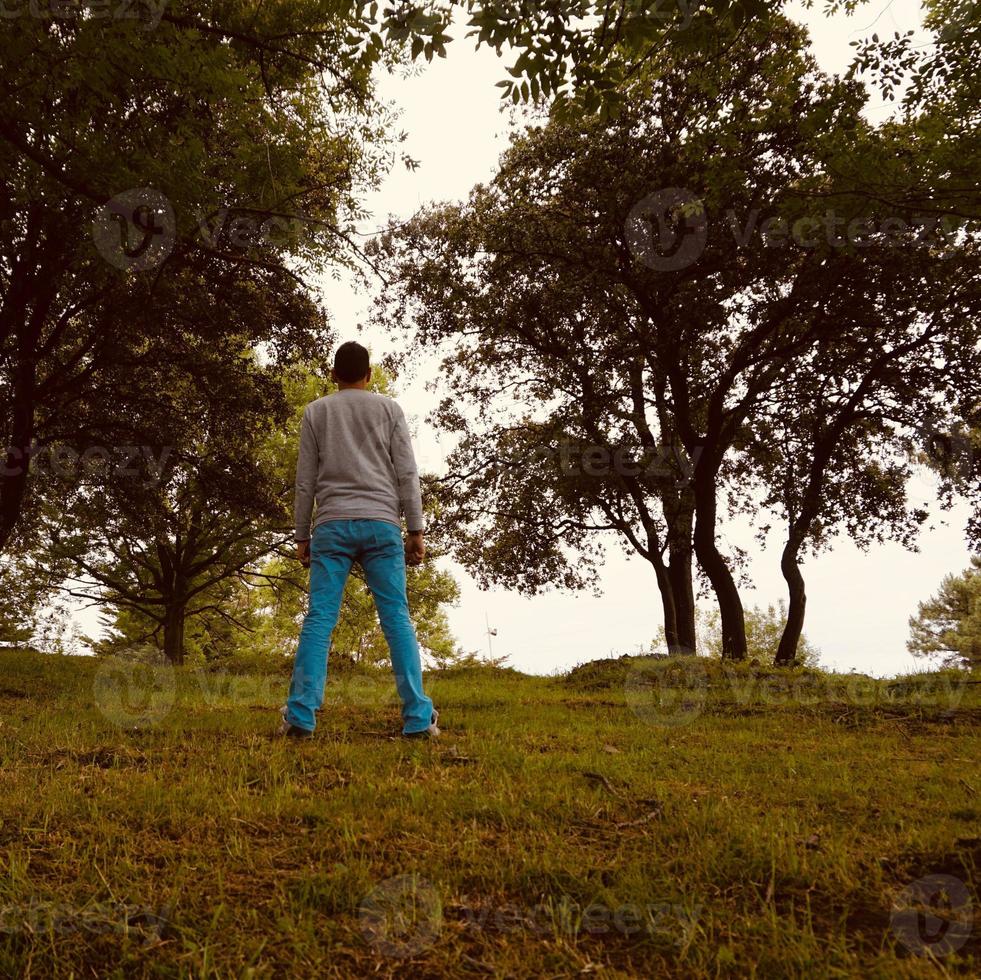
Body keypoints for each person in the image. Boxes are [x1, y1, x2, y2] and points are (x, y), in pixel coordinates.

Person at [279, 341, 439, 739]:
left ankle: (301, 715)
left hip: (331, 526)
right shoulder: (390, 409)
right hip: (382, 526)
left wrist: (301, 534)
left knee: (319, 619)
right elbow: (407, 474)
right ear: (369, 375)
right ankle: (418, 718)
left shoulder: (316, 412)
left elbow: (305, 482)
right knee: (397, 619)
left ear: (334, 375)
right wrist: (416, 530)